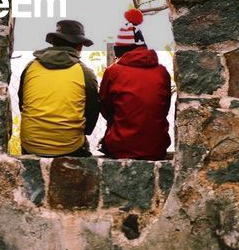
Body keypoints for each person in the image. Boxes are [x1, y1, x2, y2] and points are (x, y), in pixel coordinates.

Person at [18, 19, 99, 157]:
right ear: (79, 46)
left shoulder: (30, 67)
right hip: (69, 147)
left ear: (54, 42)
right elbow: (91, 114)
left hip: (31, 145)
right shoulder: (85, 73)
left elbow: (22, 104)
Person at [99, 9, 171, 160]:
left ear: (121, 52)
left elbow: (105, 109)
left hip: (121, 146)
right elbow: (164, 108)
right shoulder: (162, 72)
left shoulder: (113, 72)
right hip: (157, 147)